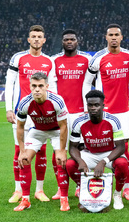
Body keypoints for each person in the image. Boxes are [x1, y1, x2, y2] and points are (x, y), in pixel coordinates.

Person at [83, 24, 129, 201]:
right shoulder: (98, 58)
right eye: (110, 35)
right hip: (103, 112)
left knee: (125, 149)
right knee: (94, 146)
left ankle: (126, 187)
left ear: (122, 37)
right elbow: (87, 82)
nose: (114, 37)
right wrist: (87, 107)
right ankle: (87, 184)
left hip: (122, 112)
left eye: (117, 35)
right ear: (106, 37)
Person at [5, 25, 57, 203]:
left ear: (44, 40)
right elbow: (9, 84)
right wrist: (8, 108)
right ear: (28, 39)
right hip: (21, 112)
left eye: (39, 37)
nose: (36, 39)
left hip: (41, 115)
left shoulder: (49, 61)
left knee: (41, 150)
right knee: (19, 150)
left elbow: (53, 88)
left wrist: (53, 112)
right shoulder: (18, 58)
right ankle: (18, 189)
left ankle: (39, 190)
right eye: (33, 36)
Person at [13, 72, 69, 212]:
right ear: (30, 87)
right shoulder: (25, 102)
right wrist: (22, 150)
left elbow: (63, 126)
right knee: (24, 159)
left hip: (56, 130)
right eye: (34, 86)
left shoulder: (56, 100)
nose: (37, 89)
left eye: (40, 86)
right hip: (37, 130)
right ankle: (25, 200)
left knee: (60, 160)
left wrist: (62, 151)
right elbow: (20, 127)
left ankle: (64, 199)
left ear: (46, 86)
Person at [66, 90, 128, 210]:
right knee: (70, 164)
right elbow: (73, 147)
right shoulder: (79, 122)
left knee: (123, 163)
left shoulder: (113, 120)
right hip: (89, 154)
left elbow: (121, 147)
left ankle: (117, 194)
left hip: (109, 154)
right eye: (90, 105)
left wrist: (104, 161)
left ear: (103, 106)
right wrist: (80, 161)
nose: (93, 108)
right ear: (87, 106)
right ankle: (83, 189)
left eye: (96, 105)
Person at [51, 29, 92, 200]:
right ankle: (61, 187)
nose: (69, 41)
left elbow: (93, 82)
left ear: (77, 41)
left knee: (80, 150)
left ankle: (78, 184)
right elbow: (51, 86)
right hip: (61, 114)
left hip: (81, 113)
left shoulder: (87, 60)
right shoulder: (54, 61)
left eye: (72, 39)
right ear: (62, 42)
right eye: (66, 39)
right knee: (58, 150)